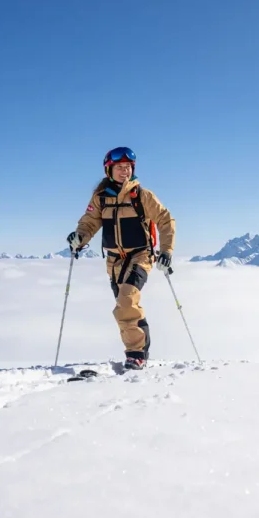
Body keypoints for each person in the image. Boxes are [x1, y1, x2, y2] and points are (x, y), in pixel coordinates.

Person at [66, 147, 175, 370]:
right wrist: (80, 237)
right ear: (109, 170)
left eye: (128, 167)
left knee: (126, 300)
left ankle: (135, 354)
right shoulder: (101, 198)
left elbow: (166, 221)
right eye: (119, 168)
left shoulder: (142, 196)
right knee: (125, 304)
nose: (124, 171)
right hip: (114, 261)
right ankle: (141, 348)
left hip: (141, 255)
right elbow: (89, 222)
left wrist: (166, 251)